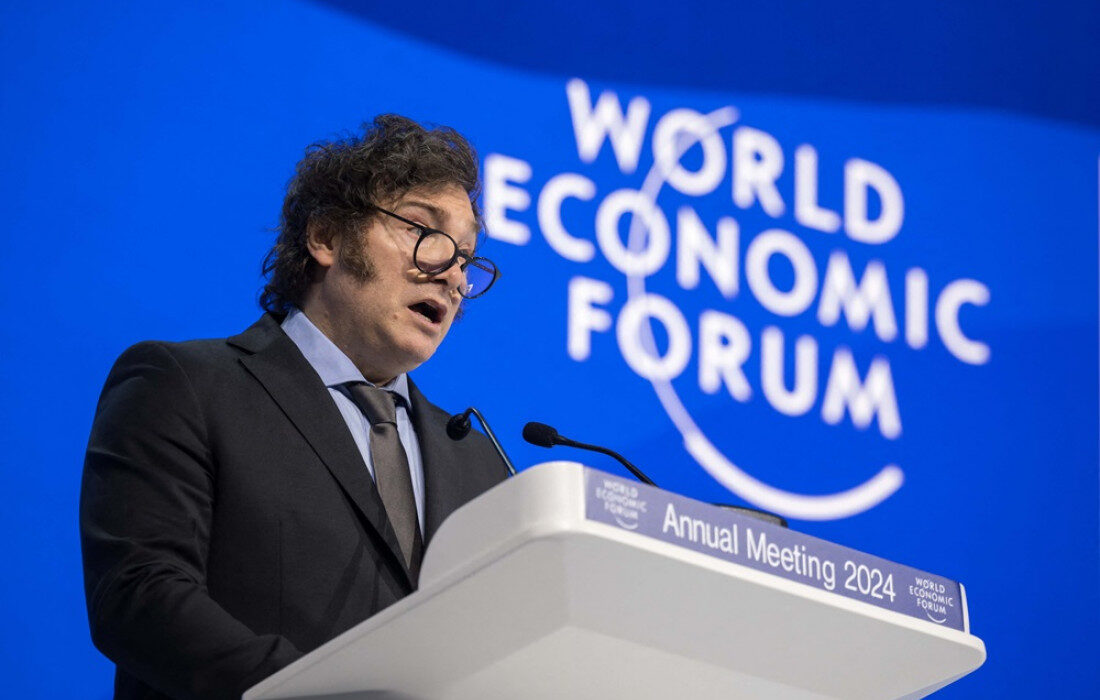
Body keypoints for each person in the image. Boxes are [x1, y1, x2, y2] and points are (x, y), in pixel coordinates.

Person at [80, 115, 509, 700]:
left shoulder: (481, 465)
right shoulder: (186, 386)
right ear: (326, 236)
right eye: (422, 229)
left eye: (465, 256)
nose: (452, 275)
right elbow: (140, 597)